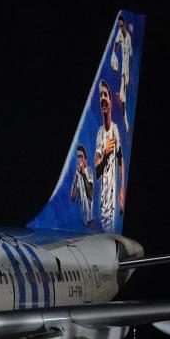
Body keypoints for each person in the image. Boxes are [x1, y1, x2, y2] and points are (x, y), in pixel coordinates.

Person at [94, 80, 125, 233]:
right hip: (103, 205)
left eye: (105, 95)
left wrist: (121, 191)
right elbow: (96, 171)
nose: (102, 98)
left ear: (111, 102)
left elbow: (121, 159)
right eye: (100, 95)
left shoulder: (115, 130)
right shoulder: (100, 133)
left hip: (112, 204)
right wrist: (105, 155)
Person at [111, 14, 133, 133]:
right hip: (122, 71)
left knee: (123, 98)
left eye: (122, 25)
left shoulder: (128, 38)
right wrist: (114, 53)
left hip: (126, 73)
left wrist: (131, 79)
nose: (121, 27)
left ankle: (126, 121)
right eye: (119, 26)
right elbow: (116, 43)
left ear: (124, 24)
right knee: (122, 97)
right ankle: (125, 120)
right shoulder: (120, 33)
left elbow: (130, 59)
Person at [69, 144, 94, 227]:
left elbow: (90, 195)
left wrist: (83, 174)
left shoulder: (89, 171)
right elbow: (72, 197)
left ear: (85, 159)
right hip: (83, 221)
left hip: (90, 221)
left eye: (81, 156)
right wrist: (77, 175)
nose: (79, 159)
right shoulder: (77, 175)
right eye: (78, 156)